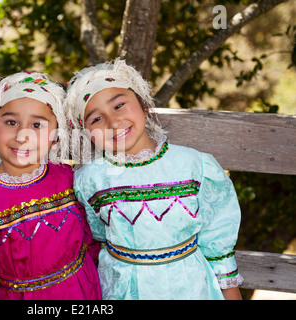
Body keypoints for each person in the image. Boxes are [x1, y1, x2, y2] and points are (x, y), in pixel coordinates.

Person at [65, 58, 244, 300]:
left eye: (118, 105)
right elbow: (97, 232)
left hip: (191, 288)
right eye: (96, 119)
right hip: (123, 291)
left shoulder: (194, 166)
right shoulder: (89, 180)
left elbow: (218, 242)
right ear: (85, 132)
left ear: (144, 104)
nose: (113, 122)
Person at [0, 72, 101, 300]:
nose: (22, 136)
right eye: (11, 122)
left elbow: (92, 242)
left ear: (56, 136)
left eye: (37, 125)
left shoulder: (70, 179)